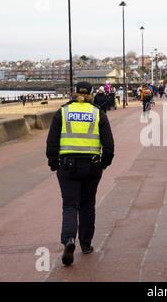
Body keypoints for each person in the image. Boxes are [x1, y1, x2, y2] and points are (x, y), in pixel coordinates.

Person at [46, 81, 115, 266]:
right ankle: (86, 244)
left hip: (67, 166)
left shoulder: (63, 112)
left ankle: (69, 239)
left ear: (75, 93)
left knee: (70, 205)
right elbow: (108, 145)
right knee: (87, 204)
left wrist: (53, 162)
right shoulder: (97, 113)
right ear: (92, 93)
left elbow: (52, 141)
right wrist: (104, 163)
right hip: (92, 166)